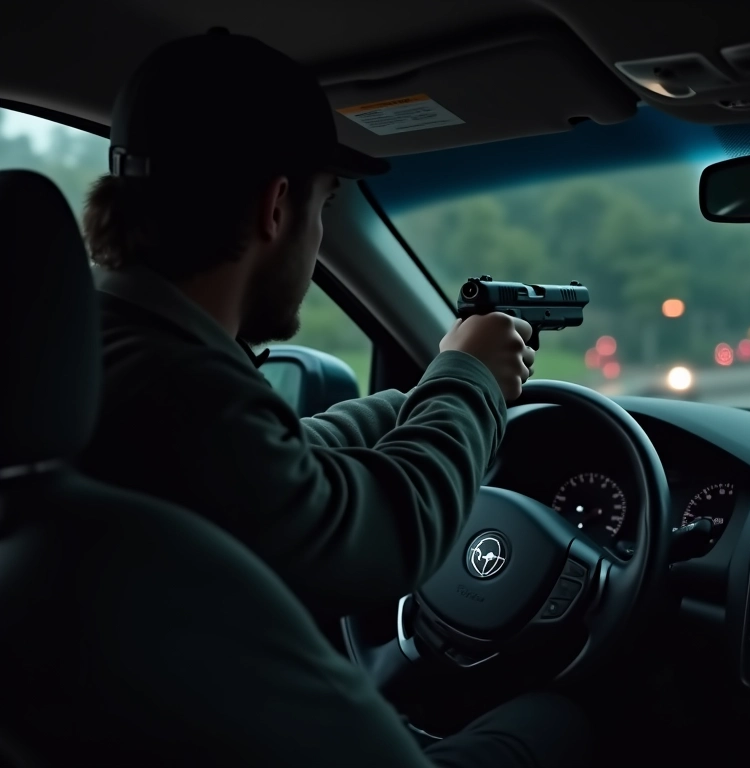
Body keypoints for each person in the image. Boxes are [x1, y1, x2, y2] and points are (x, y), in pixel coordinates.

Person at [78, 28, 590, 767]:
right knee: (558, 721)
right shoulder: (184, 393)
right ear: (277, 206)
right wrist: (470, 381)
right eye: (325, 205)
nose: (319, 233)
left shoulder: (103, 355)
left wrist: (432, 386)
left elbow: (290, 465)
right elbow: (385, 535)